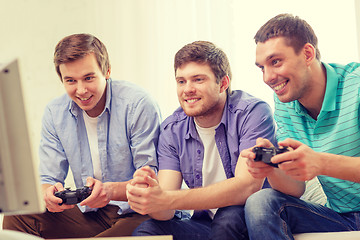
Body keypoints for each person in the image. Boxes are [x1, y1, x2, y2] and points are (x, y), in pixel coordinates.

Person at [3, 33, 162, 238]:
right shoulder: (55, 112)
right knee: (18, 216)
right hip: (93, 214)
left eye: (88, 78)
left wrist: (109, 191)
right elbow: (47, 179)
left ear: (107, 71)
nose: (81, 90)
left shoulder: (138, 104)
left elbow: (150, 181)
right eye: (70, 80)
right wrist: (48, 194)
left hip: (138, 214)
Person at [126, 41, 286, 240]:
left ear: (223, 83)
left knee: (227, 218)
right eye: (181, 81)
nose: (187, 90)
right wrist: (150, 195)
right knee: (147, 231)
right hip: (204, 223)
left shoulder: (252, 112)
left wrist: (167, 198)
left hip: (248, 217)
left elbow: (247, 187)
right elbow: (165, 210)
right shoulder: (172, 129)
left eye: (198, 80)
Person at [241, 13, 360, 240]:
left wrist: (321, 162)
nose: (267, 77)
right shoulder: (286, 102)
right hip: (341, 217)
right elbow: (295, 188)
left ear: (307, 54)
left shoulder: (357, 85)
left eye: (275, 62)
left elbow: (318, 163)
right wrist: (272, 169)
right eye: (261, 67)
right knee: (261, 201)